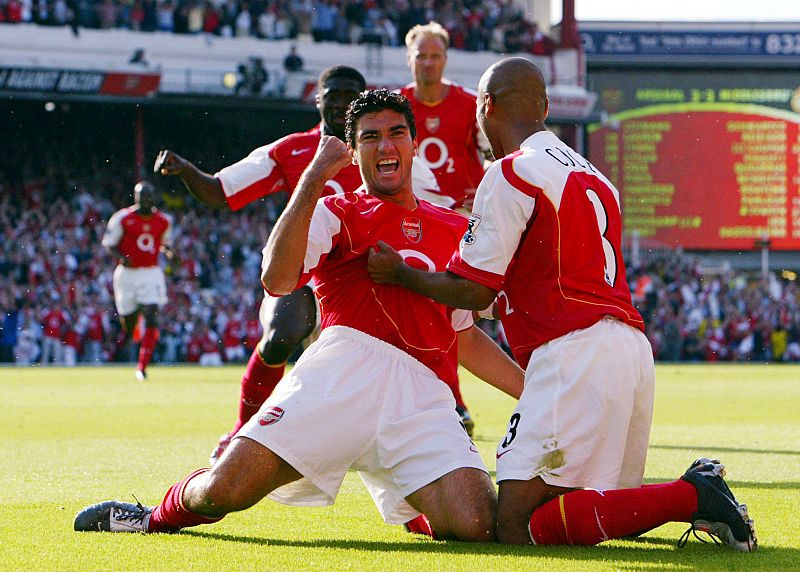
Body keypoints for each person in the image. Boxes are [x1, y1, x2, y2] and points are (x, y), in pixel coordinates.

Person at [73, 89, 523, 541]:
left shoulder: (456, 227)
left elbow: (462, 335)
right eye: (370, 138)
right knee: (221, 491)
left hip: (423, 395)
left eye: (396, 133)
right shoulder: (336, 210)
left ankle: (414, 503)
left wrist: (529, 391)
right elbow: (278, 279)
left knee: (479, 524)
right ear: (352, 151)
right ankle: (152, 515)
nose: (385, 146)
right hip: (342, 375)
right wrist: (312, 177)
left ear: (412, 143)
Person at [367, 58, 758, 551]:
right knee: (594, 504)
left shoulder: (510, 172)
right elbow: (527, 280)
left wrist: (403, 275)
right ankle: (695, 496)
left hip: (573, 350)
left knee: (514, 523)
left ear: (486, 108)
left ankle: (693, 494)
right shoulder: (596, 177)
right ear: (546, 107)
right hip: (627, 350)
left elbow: (476, 290)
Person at [154, 65, 458, 465]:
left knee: (434, 325)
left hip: (369, 278)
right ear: (318, 100)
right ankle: (241, 433)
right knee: (285, 328)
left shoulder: (388, 149)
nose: (342, 100)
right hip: (308, 270)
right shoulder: (292, 149)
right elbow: (222, 191)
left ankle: (445, 417)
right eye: (333, 93)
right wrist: (187, 171)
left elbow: (440, 212)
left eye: (352, 93)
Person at [400, 21, 488, 210]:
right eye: (421, 56)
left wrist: (486, 191)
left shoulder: (472, 103)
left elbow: (496, 155)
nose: (428, 63)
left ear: (445, 59)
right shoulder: (396, 105)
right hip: (414, 211)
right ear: (409, 58)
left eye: (435, 56)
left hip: (463, 211)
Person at [102, 180, 173, 381]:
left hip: (151, 272)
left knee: (152, 314)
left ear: (153, 197)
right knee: (130, 324)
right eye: (140, 196)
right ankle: (130, 335)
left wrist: (169, 253)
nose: (144, 199)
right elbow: (109, 243)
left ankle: (142, 367)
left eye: (148, 195)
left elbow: (165, 244)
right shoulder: (122, 218)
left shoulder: (164, 220)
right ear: (135, 197)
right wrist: (121, 256)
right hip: (126, 274)